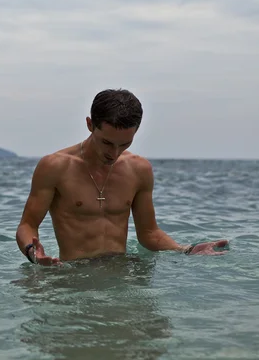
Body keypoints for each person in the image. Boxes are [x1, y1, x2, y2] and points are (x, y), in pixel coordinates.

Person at [15, 88, 229, 265]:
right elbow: (27, 225)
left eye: (124, 144)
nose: (114, 153)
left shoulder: (139, 169)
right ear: (90, 125)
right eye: (107, 143)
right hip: (76, 274)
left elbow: (149, 233)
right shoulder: (55, 166)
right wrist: (33, 252)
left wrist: (187, 250)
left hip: (123, 273)